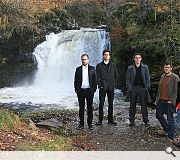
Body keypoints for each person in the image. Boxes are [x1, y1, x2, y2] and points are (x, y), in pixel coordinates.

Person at [156, 62, 179, 142]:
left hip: (169, 101)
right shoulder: (162, 76)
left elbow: (177, 90)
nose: (166, 69)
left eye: (168, 67)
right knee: (158, 115)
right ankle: (166, 130)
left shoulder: (175, 77)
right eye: (165, 67)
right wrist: (157, 99)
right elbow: (160, 89)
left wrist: (172, 100)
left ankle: (171, 136)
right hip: (161, 100)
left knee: (170, 119)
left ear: (171, 68)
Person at [126, 53, 150, 126]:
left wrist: (146, 87)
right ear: (134, 59)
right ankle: (132, 120)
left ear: (141, 59)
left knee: (144, 105)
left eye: (139, 58)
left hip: (142, 88)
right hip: (133, 88)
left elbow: (147, 78)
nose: (137, 59)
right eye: (136, 58)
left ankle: (146, 120)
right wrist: (130, 88)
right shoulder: (130, 68)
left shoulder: (145, 67)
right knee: (132, 105)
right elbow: (128, 79)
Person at [74, 54, 97, 130]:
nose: (84, 61)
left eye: (85, 59)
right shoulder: (78, 69)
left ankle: (90, 124)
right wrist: (76, 89)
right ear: (81, 60)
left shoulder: (92, 69)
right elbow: (76, 80)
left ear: (88, 60)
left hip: (89, 91)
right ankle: (81, 124)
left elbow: (95, 80)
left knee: (90, 108)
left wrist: (94, 90)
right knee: (81, 108)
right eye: (83, 59)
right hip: (81, 91)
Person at [95, 50, 118, 126]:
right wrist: (100, 85)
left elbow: (115, 76)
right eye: (105, 54)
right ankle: (100, 120)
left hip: (111, 87)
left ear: (109, 56)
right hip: (102, 87)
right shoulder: (99, 65)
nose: (106, 56)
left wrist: (114, 84)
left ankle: (110, 120)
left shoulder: (113, 65)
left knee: (111, 104)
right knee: (101, 103)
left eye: (107, 55)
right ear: (103, 55)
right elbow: (97, 77)